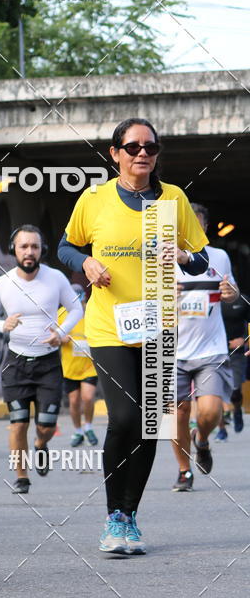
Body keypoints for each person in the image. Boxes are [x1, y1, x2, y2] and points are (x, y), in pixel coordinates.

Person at [58, 118, 208, 555]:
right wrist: (85, 264)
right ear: (115, 153)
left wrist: (182, 254)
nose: (143, 153)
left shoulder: (173, 199)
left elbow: (200, 261)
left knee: (152, 425)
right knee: (124, 419)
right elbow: (66, 246)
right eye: (133, 146)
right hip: (110, 326)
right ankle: (113, 515)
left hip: (159, 325)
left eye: (151, 146)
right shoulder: (95, 198)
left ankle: (129, 516)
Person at [0, 225, 83, 494]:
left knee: (46, 425)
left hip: (48, 364)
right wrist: (2, 325)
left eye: (34, 246)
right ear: (14, 250)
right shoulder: (4, 283)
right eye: (23, 246)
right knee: (18, 421)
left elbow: (76, 308)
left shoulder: (55, 278)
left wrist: (60, 332)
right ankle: (22, 476)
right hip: (16, 362)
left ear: (42, 250)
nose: (29, 252)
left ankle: (41, 444)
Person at [171, 204, 238, 491]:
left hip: (210, 349)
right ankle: (184, 470)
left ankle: (202, 440)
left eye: (194, 228)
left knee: (210, 411)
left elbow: (231, 293)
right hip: (170, 351)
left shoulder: (219, 257)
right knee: (177, 414)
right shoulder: (159, 260)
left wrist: (230, 293)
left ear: (204, 229)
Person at [57, 283, 99, 448]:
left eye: (80, 295)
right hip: (70, 366)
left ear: (84, 296)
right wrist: (61, 339)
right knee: (74, 401)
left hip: (89, 365)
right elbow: (51, 336)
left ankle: (88, 426)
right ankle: (78, 431)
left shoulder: (91, 311)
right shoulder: (60, 314)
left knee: (88, 397)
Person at [216, 291, 250, 439]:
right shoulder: (211, 298)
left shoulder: (243, 300)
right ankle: (221, 429)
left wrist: (244, 340)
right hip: (214, 352)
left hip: (237, 352)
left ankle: (236, 409)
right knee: (214, 392)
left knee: (235, 390)